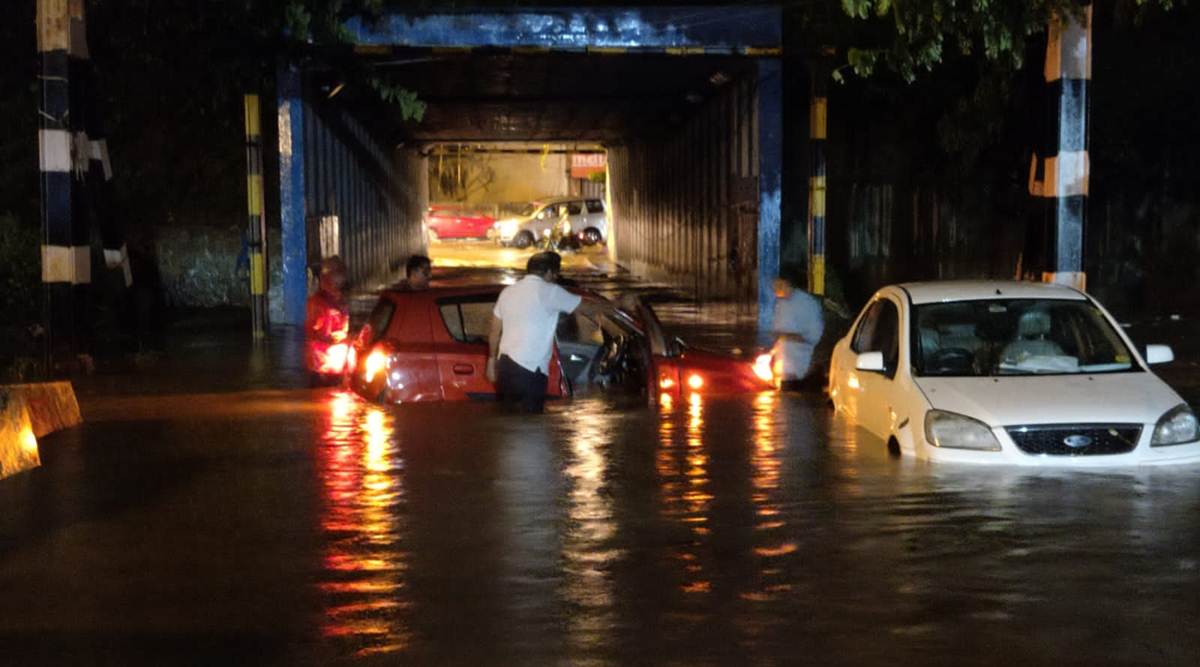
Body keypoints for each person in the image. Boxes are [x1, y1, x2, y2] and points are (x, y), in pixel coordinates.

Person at [486, 251, 592, 412]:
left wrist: (491, 362)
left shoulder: (507, 292)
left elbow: (494, 332)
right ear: (550, 272)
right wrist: (619, 304)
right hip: (529, 370)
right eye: (556, 274)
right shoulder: (550, 291)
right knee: (531, 428)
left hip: (505, 368)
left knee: (510, 421)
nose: (556, 278)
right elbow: (588, 308)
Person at [770, 276, 824, 391]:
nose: (775, 291)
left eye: (778, 286)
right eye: (774, 287)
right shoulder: (781, 303)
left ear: (787, 283)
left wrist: (789, 336)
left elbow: (814, 336)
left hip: (804, 365)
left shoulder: (808, 304)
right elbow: (779, 333)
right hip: (786, 367)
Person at [305, 256, 350, 383]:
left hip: (335, 362)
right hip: (321, 363)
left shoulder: (340, 302)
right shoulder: (318, 303)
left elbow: (344, 327)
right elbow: (313, 332)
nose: (340, 281)